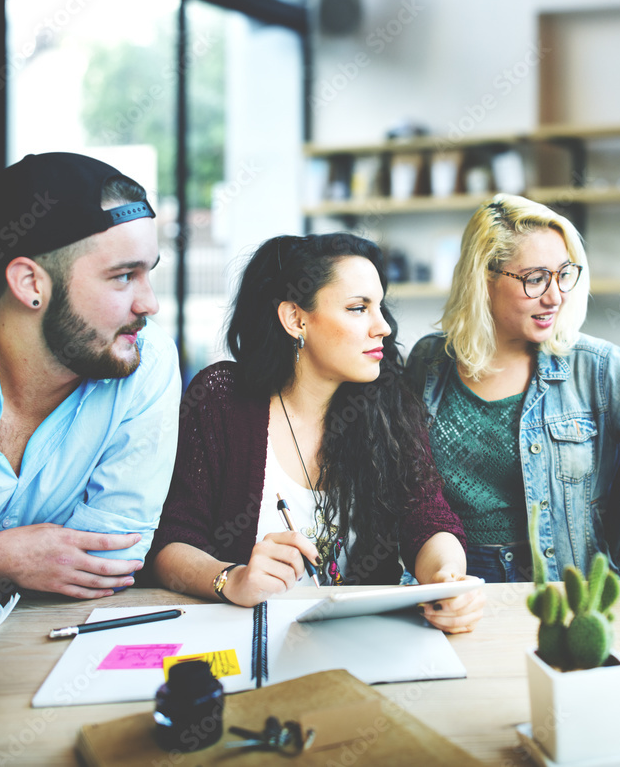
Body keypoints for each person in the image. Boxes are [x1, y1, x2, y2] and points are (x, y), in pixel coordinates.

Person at [150, 233, 483, 633]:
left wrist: (447, 579)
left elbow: (427, 518)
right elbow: (171, 543)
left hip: (360, 639)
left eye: (380, 306)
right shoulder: (221, 398)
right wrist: (231, 578)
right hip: (244, 637)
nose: (383, 328)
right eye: (359, 308)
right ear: (296, 318)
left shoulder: (386, 400)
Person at [0, 152, 180, 599]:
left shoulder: (146, 360)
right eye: (123, 277)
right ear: (30, 284)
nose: (149, 305)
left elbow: (108, 562)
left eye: (148, 273)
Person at [406, 195, 620, 583]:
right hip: (451, 580)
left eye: (563, 274)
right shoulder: (429, 360)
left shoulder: (596, 366)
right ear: (484, 278)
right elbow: (406, 480)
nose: (556, 296)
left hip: (561, 587)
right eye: (535, 278)